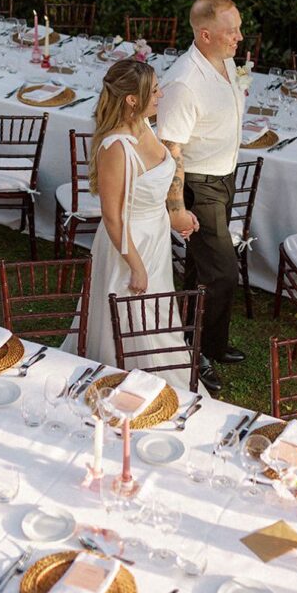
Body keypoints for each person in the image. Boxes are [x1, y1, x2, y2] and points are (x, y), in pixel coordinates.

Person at [76, 58, 201, 390]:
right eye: (154, 91)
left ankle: (164, 377)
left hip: (156, 235)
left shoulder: (145, 124)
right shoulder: (115, 147)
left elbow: (154, 184)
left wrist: (175, 215)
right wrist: (135, 265)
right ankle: (126, 382)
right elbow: (112, 215)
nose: (161, 95)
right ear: (132, 99)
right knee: (131, 315)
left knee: (158, 313)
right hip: (128, 243)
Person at [157, 0, 244, 394]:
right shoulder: (184, 83)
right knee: (222, 271)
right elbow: (170, 149)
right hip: (199, 185)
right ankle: (199, 352)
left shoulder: (225, 61)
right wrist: (176, 208)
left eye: (239, 28)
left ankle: (203, 342)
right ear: (205, 35)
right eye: (231, 31)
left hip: (223, 177)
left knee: (199, 269)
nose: (239, 37)